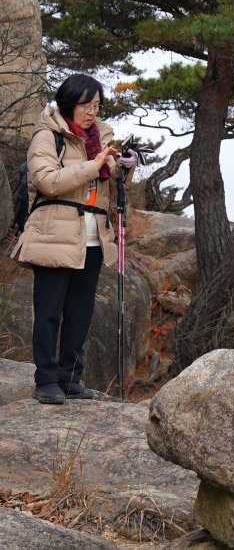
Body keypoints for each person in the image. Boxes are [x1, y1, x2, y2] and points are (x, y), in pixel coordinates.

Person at [10, 74, 134, 403]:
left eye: (96, 105)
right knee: (49, 310)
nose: (92, 112)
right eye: (86, 105)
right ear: (69, 104)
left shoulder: (101, 137)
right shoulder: (48, 137)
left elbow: (108, 181)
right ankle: (47, 379)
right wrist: (94, 166)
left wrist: (125, 166)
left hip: (93, 235)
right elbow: (47, 181)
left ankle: (70, 377)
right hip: (54, 232)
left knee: (80, 312)